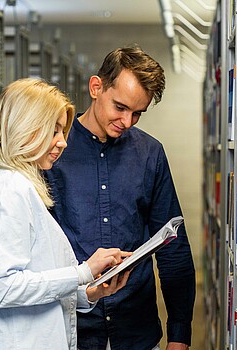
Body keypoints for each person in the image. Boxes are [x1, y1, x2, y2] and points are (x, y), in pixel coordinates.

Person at [44, 46, 196, 350]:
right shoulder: (52, 151)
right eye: (120, 107)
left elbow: (173, 248)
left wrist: (179, 334)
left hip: (136, 330)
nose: (127, 121)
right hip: (70, 330)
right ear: (96, 87)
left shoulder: (150, 154)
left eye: (137, 113)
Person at [0, 78, 131, 350]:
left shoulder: (19, 186)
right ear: (25, 130)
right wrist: (83, 272)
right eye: (54, 132)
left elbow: (34, 277)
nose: (63, 143)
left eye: (62, 132)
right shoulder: (8, 190)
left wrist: (88, 292)